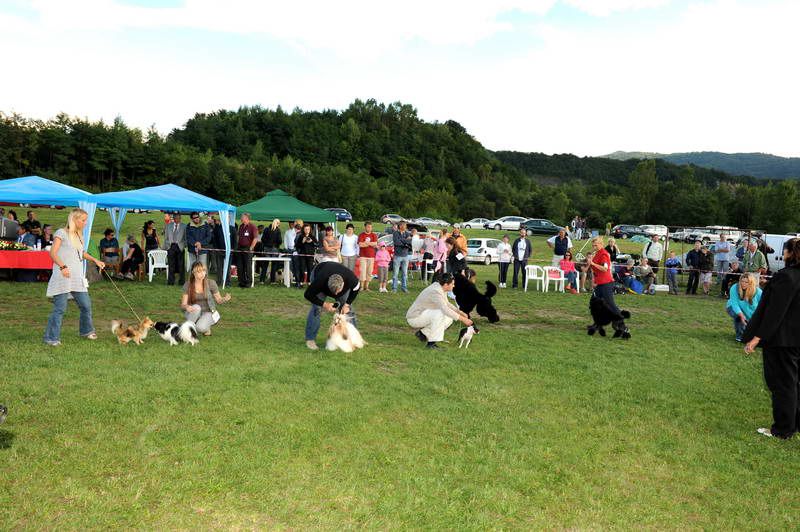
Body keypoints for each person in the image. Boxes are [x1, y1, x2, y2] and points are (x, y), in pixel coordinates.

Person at [743, 238, 800, 438]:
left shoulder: (787, 277)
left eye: (785, 251)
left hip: (782, 340)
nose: (782, 255)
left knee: (782, 384)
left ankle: (783, 428)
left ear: (790, 253)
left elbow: (775, 312)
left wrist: (757, 337)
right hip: (794, 339)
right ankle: (793, 423)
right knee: (793, 382)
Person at [43, 208, 106, 346]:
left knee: (86, 305)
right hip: (63, 275)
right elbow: (53, 253)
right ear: (74, 219)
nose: (85, 222)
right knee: (60, 308)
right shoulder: (61, 233)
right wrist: (63, 266)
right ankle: (51, 338)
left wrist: (95, 260)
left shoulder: (79, 235)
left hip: (77, 277)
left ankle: (86, 331)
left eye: (85, 220)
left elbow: (81, 253)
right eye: (83, 220)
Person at [406, 272, 473, 349]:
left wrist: (459, 312)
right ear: (446, 285)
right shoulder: (436, 291)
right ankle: (431, 344)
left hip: (423, 314)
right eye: (452, 284)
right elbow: (445, 309)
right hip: (414, 317)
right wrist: (464, 319)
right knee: (440, 313)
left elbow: (447, 303)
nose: (454, 286)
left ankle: (423, 333)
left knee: (449, 318)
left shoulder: (440, 287)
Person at [303, 261, 360, 350]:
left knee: (348, 310)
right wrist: (324, 304)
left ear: (343, 284)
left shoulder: (351, 278)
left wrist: (347, 304)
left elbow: (356, 288)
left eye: (338, 291)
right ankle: (310, 340)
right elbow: (307, 295)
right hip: (320, 274)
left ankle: (353, 338)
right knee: (316, 309)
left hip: (341, 283)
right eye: (333, 291)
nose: (336, 294)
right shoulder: (320, 280)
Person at [181, 261, 231, 336]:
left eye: (204, 270)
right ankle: (187, 331)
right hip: (193, 312)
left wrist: (224, 299)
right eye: (199, 271)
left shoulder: (211, 283)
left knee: (200, 328)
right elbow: (183, 305)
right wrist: (187, 307)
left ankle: (205, 327)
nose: (202, 273)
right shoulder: (188, 284)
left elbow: (219, 300)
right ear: (193, 272)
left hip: (208, 312)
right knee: (197, 307)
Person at [588, 236, 622, 315]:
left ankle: (620, 323)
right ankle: (598, 323)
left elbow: (605, 269)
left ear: (601, 244)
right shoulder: (597, 253)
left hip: (606, 283)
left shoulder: (604, 254)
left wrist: (593, 264)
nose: (594, 247)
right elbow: (594, 270)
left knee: (611, 304)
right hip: (600, 283)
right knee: (594, 304)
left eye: (595, 245)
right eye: (593, 245)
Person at [726, 273, 762, 343]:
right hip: (732, 307)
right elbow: (735, 304)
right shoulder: (734, 288)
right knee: (738, 317)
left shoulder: (758, 292)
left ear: (751, 283)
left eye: (746, 282)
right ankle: (740, 337)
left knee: (753, 329)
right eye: (742, 281)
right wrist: (741, 315)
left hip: (749, 311)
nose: (743, 284)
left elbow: (762, 306)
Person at [235, 213, 258, 288]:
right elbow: (238, 236)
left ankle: (248, 282)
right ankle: (241, 282)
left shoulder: (252, 226)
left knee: (248, 266)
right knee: (240, 266)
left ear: (247, 218)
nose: (241, 218)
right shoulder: (241, 226)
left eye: (242, 217)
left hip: (248, 248)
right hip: (240, 248)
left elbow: (255, 238)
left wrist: (251, 248)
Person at [164, 213, 187, 286]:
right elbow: (166, 237)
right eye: (176, 218)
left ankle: (182, 281)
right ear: (173, 219)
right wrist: (167, 245)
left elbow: (186, 238)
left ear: (180, 218)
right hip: (171, 246)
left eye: (179, 218)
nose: (177, 220)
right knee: (171, 264)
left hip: (180, 246)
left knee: (181, 265)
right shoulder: (168, 226)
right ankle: (171, 281)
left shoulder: (184, 226)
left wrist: (183, 246)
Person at [259, 219, 283, 284]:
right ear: (277, 224)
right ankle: (272, 281)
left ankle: (262, 280)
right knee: (274, 265)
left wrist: (266, 244)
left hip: (266, 248)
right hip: (274, 248)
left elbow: (262, 239)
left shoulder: (266, 229)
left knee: (265, 265)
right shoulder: (278, 230)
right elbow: (280, 241)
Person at [392, 221, 413, 292]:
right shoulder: (395, 233)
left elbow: (409, 242)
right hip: (397, 255)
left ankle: (404, 288)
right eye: (404, 225)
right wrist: (405, 242)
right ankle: (394, 288)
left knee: (404, 273)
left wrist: (403, 241)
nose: (405, 226)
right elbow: (396, 242)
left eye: (405, 225)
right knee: (396, 273)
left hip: (405, 255)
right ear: (400, 226)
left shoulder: (407, 233)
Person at [357, 222, 378, 291]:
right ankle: (362, 286)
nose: (369, 228)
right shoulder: (361, 235)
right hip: (363, 256)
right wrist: (370, 244)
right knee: (362, 271)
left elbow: (375, 244)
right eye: (368, 227)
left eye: (370, 227)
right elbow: (360, 245)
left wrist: (366, 243)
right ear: (365, 227)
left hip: (371, 256)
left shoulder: (374, 235)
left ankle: (366, 287)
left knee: (369, 271)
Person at [284, 219, 301, 288]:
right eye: (290, 224)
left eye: (293, 224)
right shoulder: (287, 232)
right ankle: (288, 280)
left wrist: (297, 250)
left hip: (296, 251)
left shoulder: (299, 233)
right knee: (290, 266)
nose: (292, 225)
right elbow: (285, 241)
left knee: (296, 267)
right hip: (289, 250)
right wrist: (286, 248)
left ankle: (297, 282)